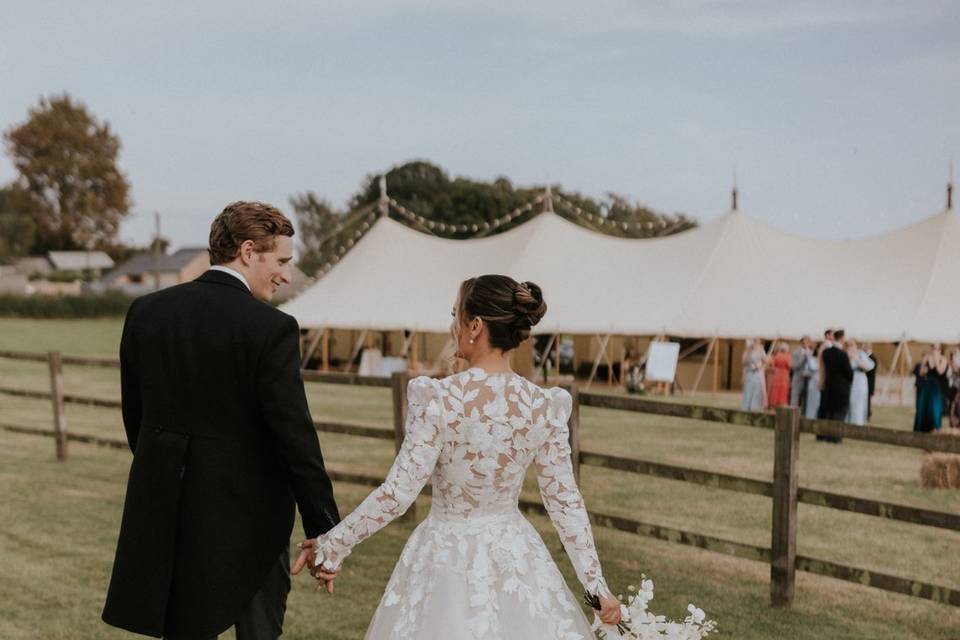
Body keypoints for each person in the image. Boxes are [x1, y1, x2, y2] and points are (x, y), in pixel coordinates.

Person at [300, 275, 623, 639]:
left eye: (455, 316)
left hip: (444, 555)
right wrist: (597, 587)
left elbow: (398, 494)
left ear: (474, 326)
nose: (451, 326)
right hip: (514, 554)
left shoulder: (439, 399)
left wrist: (333, 546)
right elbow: (564, 501)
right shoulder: (543, 406)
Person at [102, 202, 341, 640]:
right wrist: (324, 528)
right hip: (251, 521)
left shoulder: (146, 311)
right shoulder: (271, 327)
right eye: (282, 261)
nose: (286, 275)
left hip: (169, 509)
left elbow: (136, 417)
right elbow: (295, 437)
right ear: (249, 251)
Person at [818, 329, 852, 442]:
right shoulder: (843, 354)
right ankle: (836, 437)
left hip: (829, 385)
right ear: (841, 338)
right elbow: (849, 372)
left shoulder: (826, 353)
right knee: (840, 412)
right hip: (841, 387)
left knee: (829, 411)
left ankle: (827, 435)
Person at [913, 344, 949, 432]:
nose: (934, 350)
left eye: (936, 349)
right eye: (933, 348)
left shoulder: (943, 359)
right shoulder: (928, 358)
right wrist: (923, 365)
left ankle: (936, 427)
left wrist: (936, 360)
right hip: (927, 385)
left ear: (940, 349)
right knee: (923, 407)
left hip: (937, 387)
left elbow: (940, 371)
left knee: (935, 408)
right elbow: (921, 374)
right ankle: (922, 428)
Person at [846, 339, 875, 426]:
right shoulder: (845, 354)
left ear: (855, 345)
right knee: (849, 401)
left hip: (860, 380)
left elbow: (869, 366)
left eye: (852, 345)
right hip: (849, 379)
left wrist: (856, 360)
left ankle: (858, 422)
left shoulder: (860, 354)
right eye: (849, 345)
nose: (850, 347)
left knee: (859, 402)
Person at [741, 338, 768, 411]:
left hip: (757, 373)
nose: (755, 342)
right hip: (749, 372)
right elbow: (743, 362)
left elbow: (765, 361)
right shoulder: (748, 350)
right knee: (748, 389)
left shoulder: (761, 350)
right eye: (753, 340)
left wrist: (759, 366)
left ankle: (755, 407)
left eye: (756, 341)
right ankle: (747, 406)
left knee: (756, 390)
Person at [789, 336, 814, 409]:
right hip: (798, 378)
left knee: (806, 399)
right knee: (795, 398)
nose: (806, 344)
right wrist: (803, 359)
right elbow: (793, 366)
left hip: (808, 379)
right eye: (804, 342)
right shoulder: (795, 352)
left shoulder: (812, 352)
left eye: (808, 342)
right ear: (801, 343)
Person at [768, 342, 791, 408]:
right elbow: (789, 366)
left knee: (776, 389)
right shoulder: (787, 356)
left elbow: (773, 364)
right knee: (783, 389)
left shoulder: (777, 355)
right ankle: (782, 403)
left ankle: (774, 403)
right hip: (784, 374)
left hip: (777, 374)